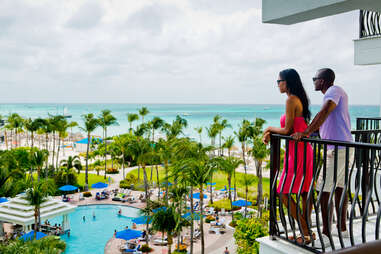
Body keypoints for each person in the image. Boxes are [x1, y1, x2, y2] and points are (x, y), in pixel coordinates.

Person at [292, 68, 354, 248]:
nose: (313, 82)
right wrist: (316, 132)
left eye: (315, 78)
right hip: (343, 148)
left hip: (337, 150)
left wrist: (306, 132)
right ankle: (341, 229)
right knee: (339, 188)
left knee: (323, 190)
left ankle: (326, 235)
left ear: (324, 80)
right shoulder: (337, 92)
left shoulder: (333, 91)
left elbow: (325, 112)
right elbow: (328, 119)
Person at [263, 68, 314, 244]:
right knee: (303, 192)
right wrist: (271, 133)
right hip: (298, 149)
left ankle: (306, 231)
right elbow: (290, 130)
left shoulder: (291, 100)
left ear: (288, 82)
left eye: (279, 81)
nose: (277, 84)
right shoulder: (296, 99)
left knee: (284, 192)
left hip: (299, 151)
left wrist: (269, 129)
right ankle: (307, 232)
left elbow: (287, 130)